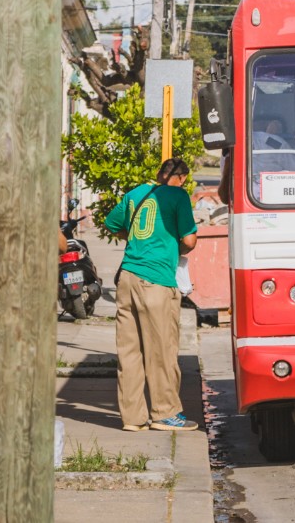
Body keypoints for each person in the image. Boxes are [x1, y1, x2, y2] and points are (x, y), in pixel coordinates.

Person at [104, 157, 199, 432]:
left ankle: (132, 418)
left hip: (127, 278)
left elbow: (112, 224)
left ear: (159, 174)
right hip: (156, 281)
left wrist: (138, 241)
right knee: (162, 350)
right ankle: (165, 413)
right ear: (181, 178)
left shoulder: (135, 193)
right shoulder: (178, 196)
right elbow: (190, 240)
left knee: (129, 352)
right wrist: (171, 248)